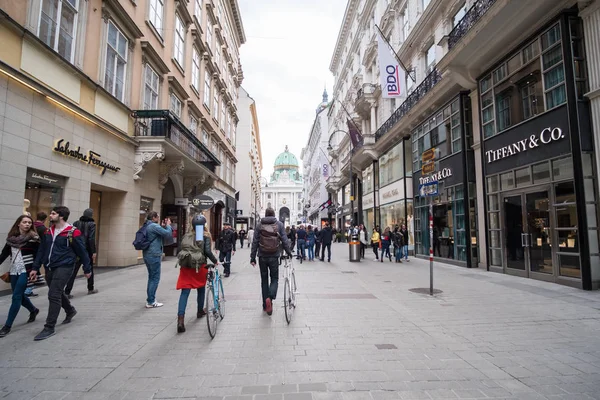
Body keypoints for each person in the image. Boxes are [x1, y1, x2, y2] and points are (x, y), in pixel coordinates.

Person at [30, 206, 91, 341]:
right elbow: (41, 250)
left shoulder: (72, 232)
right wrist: (35, 268)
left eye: (53, 214)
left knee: (53, 294)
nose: (50, 216)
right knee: (57, 292)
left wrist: (87, 269)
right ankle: (70, 310)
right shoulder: (48, 232)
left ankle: (49, 327)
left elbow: (82, 252)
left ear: (61, 216)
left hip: (65, 266)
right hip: (49, 266)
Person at [0, 215, 41, 338]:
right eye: (24, 222)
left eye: (29, 222)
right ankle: (33, 310)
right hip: (13, 270)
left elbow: (39, 255)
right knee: (20, 295)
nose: (27, 224)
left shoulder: (34, 238)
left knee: (16, 296)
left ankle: (7, 326)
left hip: (26, 270)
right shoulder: (11, 239)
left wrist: (35, 269)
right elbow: (4, 254)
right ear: (19, 224)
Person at [175, 219, 218, 333]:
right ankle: (200, 311)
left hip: (186, 266)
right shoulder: (204, 236)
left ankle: (180, 320)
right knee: (201, 289)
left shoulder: (186, 236)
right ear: (203, 226)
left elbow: (180, 250)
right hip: (199, 266)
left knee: (185, 292)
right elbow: (208, 251)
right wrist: (215, 261)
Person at [250, 208, 292, 315]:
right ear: (273, 214)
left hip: (262, 256)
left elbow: (255, 242)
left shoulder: (259, 225)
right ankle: (271, 297)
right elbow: (284, 240)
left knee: (264, 280)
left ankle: (265, 305)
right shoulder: (279, 225)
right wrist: (289, 252)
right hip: (274, 255)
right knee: (274, 279)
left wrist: (252, 257)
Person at [141, 211, 172, 308]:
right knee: (155, 278)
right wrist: (168, 225)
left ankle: (150, 299)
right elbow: (167, 234)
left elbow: (159, 234)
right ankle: (151, 301)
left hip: (147, 254)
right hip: (154, 254)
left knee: (151, 277)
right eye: (157, 217)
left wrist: (162, 227)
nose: (158, 219)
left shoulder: (147, 225)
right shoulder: (154, 226)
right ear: (154, 217)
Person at [65, 208, 98, 298]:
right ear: (91, 215)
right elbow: (91, 238)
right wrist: (93, 251)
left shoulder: (76, 223)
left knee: (74, 271)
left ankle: (67, 291)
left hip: (76, 249)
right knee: (89, 268)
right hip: (87, 250)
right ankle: (90, 288)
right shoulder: (92, 224)